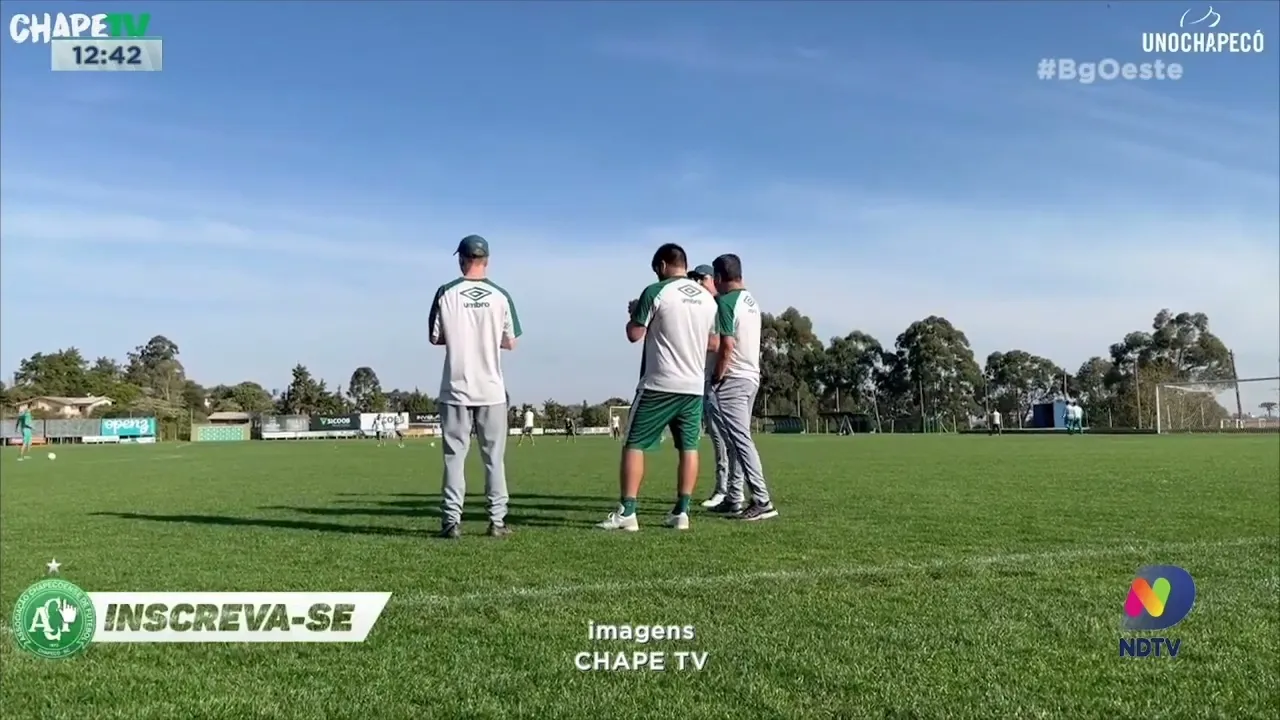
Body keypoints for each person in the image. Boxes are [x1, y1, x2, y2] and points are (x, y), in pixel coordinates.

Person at [598, 243, 718, 532]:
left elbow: (634, 334)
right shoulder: (707, 298)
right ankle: (682, 511)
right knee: (689, 447)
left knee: (633, 443)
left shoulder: (655, 292)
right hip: (692, 386)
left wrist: (635, 313)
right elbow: (713, 343)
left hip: (660, 383)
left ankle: (628, 511)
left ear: (663, 266)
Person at [429, 234, 521, 539]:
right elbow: (511, 341)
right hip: (492, 390)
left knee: (454, 458)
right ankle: (496, 522)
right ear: (487, 260)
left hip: (455, 388)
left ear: (461, 259)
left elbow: (435, 337)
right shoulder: (501, 296)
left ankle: (451, 522)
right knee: (494, 459)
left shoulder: (445, 292)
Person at [708, 254, 778, 521]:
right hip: (751, 376)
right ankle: (735, 497)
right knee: (738, 440)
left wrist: (718, 375)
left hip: (733, 378)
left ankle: (762, 500)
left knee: (740, 440)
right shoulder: (751, 301)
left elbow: (726, 345)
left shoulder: (725, 303)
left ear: (717, 278)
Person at [687, 264, 734, 510]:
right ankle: (726, 488)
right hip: (706, 380)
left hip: (719, 381)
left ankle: (725, 489)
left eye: (700, 278)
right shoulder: (703, 308)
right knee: (717, 437)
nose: (696, 283)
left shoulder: (717, 307)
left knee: (722, 436)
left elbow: (716, 345)